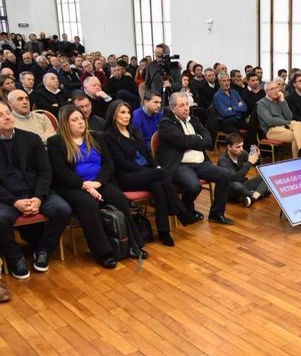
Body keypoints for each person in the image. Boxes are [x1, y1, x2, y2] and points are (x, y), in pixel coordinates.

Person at [47, 105, 147, 269]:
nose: (80, 122)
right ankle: (104, 253)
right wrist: (85, 185)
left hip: (98, 182)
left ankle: (134, 245)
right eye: (74, 120)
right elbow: (61, 171)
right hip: (73, 186)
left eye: (81, 118)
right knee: (88, 204)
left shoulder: (96, 136)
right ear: (65, 123)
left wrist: (98, 183)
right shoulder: (55, 142)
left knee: (118, 198)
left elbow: (108, 163)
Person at [103, 100, 194, 246]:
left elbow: (148, 154)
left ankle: (164, 232)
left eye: (128, 112)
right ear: (113, 115)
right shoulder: (109, 136)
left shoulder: (133, 131)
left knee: (159, 186)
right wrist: (151, 171)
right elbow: (122, 163)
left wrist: (155, 167)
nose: (127, 116)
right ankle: (182, 212)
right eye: (122, 113)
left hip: (145, 173)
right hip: (125, 177)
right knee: (161, 175)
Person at [0, 102, 71, 280]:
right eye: (1, 115)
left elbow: (45, 170)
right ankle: (15, 258)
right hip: (7, 198)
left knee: (63, 209)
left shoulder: (31, 138)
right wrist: (14, 202)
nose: (7, 116)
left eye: (8, 112)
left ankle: (44, 249)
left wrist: (38, 197)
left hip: (35, 192)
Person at [156, 92, 233, 225]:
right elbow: (183, 141)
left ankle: (216, 214)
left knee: (225, 174)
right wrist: (197, 139)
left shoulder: (194, 120)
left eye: (187, 104)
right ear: (173, 108)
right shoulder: (166, 124)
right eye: (181, 105)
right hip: (180, 165)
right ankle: (185, 210)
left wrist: (195, 140)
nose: (186, 108)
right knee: (193, 186)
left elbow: (209, 140)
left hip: (200, 163)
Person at [216, 133, 271, 207]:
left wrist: (257, 156)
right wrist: (248, 163)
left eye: (242, 146)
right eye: (238, 147)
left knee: (266, 177)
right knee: (237, 185)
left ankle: (252, 198)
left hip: (244, 184)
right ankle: (257, 193)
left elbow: (257, 165)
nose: (241, 149)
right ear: (229, 147)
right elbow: (235, 178)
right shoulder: (223, 160)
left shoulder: (242, 153)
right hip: (229, 189)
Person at [257, 80, 301, 158]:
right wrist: (287, 122)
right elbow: (270, 121)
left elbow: (289, 116)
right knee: (297, 136)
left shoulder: (280, 100)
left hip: (285, 128)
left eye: (277, 87)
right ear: (267, 92)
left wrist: (283, 101)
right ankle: (298, 158)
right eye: (273, 89)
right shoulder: (262, 104)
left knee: (297, 124)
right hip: (271, 130)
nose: (276, 90)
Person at [213, 72, 251, 144]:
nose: (226, 83)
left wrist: (232, 108)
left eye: (228, 80)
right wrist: (238, 108)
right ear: (219, 82)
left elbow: (244, 107)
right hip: (225, 122)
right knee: (238, 133)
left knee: (252, 127)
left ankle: (252, 151)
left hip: (238, 120)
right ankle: (242, 152)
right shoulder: (217, 96)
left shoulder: (235, 93)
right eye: (224, 81)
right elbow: (224, 113)